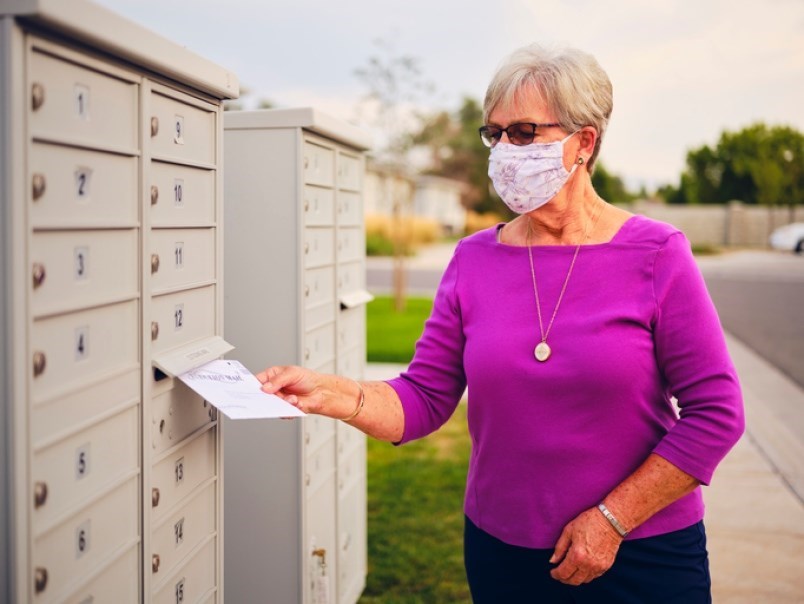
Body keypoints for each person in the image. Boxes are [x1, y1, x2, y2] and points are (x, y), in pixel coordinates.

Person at [258, 43, 744, 603]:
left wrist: (612, 519)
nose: (504, 152)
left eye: (523, 133)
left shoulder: (657, 253)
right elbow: (424, 397)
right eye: (495, 134)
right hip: (502, 550)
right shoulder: (473, 259)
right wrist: (332, 393)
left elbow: (717, 413)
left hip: (641, 551)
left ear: (583, 142)